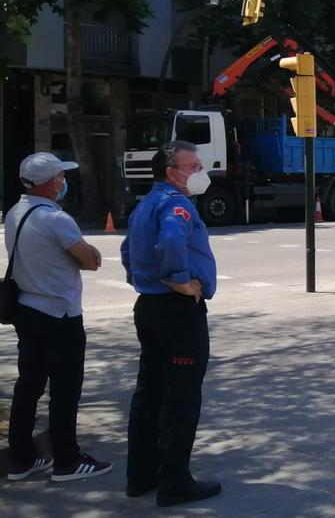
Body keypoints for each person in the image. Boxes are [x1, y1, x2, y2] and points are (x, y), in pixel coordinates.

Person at [120, 141, 220, 507]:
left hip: (149, 307)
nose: (199, 172)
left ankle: (140, 476)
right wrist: (179, 280)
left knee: (149, 391)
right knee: (181, 397)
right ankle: (174, 481)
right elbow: (172, 242)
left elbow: (127, 251)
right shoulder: (176, 205)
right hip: (177, 311)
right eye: (192, 166)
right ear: (171, 172)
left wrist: (142, 279)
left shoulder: (144, 205)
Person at [4, 152, 111, 482]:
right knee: (65, 390)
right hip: (59, 314)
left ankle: (22, 458)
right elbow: (90, 260)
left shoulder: (15, 213)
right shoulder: (56, 219)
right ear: (51, 183)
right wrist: (89, 253)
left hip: (27, 310)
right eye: (61, 177)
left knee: (29, 385)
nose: (64, 182)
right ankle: (67, 459)